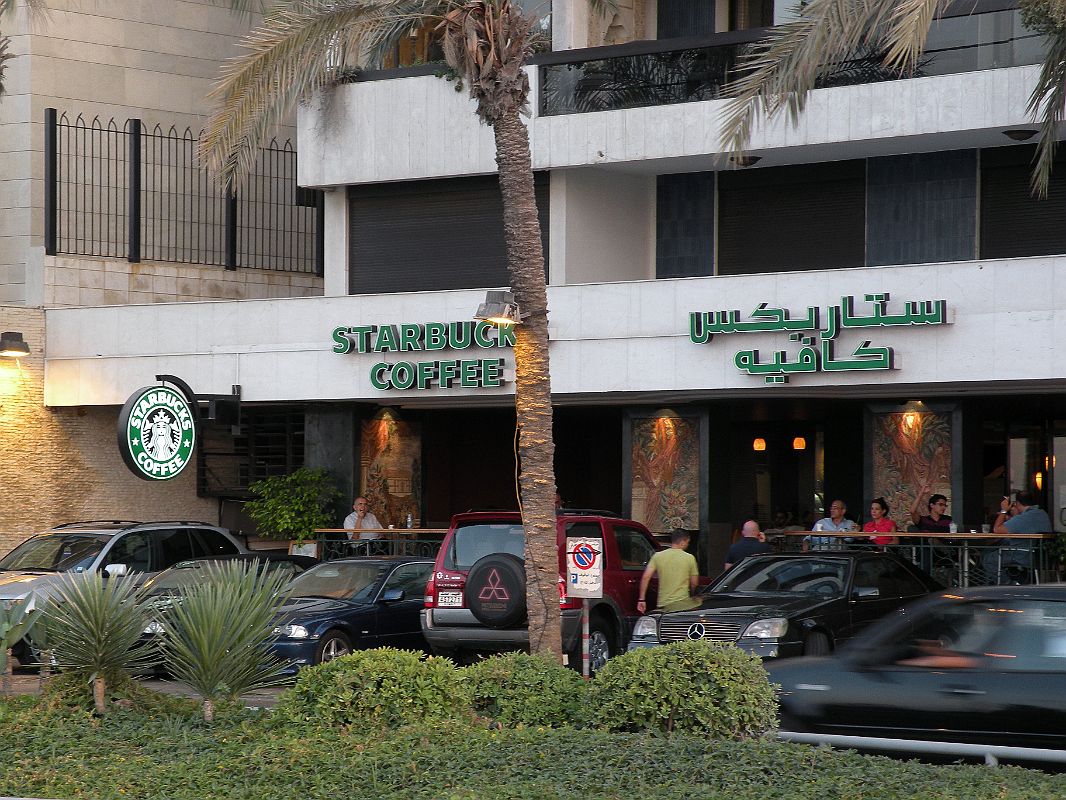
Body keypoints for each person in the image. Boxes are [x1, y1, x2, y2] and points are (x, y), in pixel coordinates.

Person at [985, 490, 1053, 583]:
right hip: (1040, 556)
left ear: (1017, 503)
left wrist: (1004, 510)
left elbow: (997, 529)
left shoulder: (1024, 518)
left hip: (1022, 555)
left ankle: (1009, 586)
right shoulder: (1042, 514)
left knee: (988, 558)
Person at [636, 530, 698, 613]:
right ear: (683, 542)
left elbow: (645, 577)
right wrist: (692, 594)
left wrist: (642, 599)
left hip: (663, 604)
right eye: (688, 542)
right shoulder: (690, 558)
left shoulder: (657, 556)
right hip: (683, 604)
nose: (687, 545)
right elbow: (694, 583)